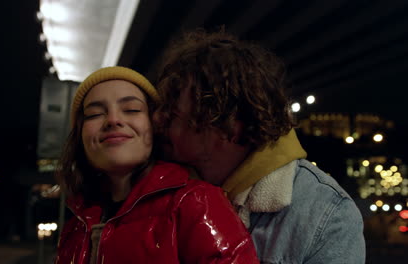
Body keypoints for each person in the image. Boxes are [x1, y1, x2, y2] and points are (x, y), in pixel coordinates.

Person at [155, 30, 366, 263]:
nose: (157, 120)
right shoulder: (156, 186)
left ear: (230, 130)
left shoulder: (327, 216)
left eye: (173, 116)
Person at [54, 66, 259, 264]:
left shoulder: (195, 202)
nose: (113, 120)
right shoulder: (74, 227)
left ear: (156, 127)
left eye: (131, 109)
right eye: (95, 114)